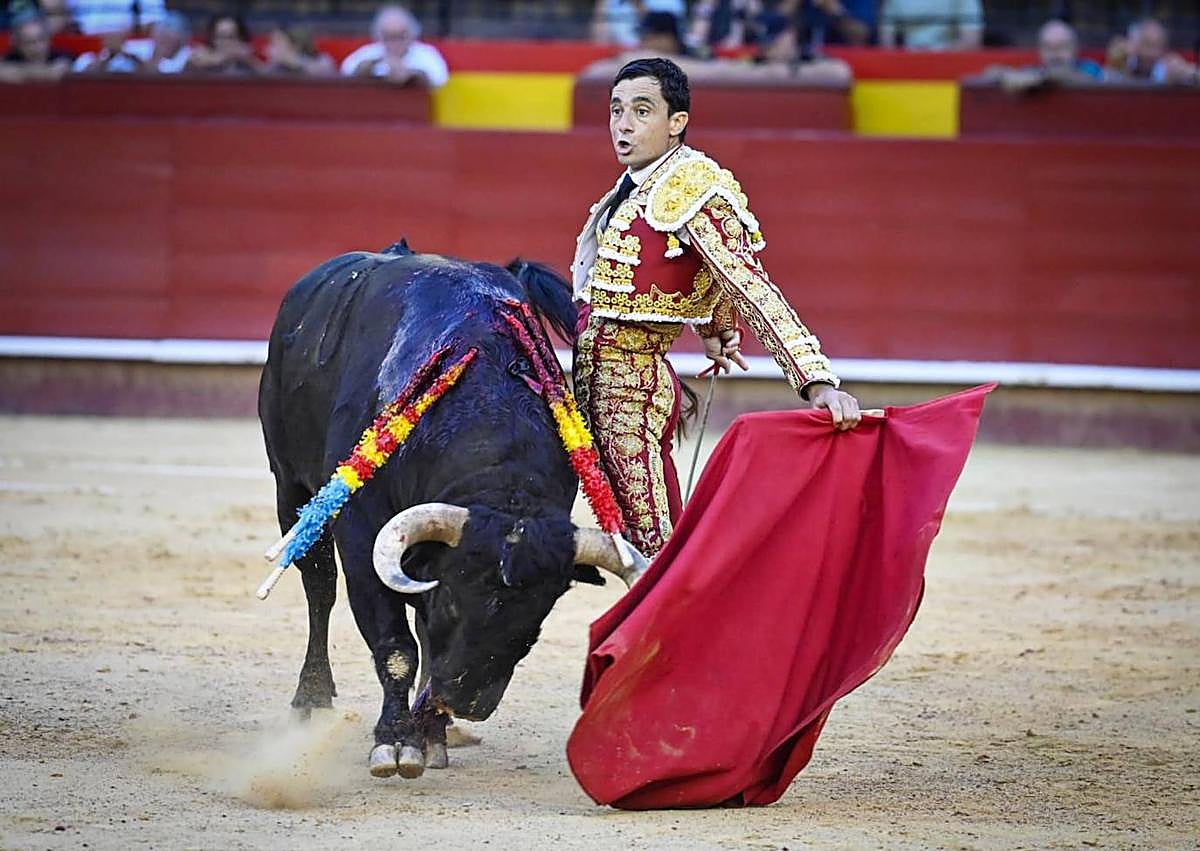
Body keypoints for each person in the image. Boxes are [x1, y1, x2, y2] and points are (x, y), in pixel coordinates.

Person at [570, 57, 861, 555]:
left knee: (654, 544)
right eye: (617, 110)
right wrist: (713, 320)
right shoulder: (637, 185)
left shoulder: (693, 187)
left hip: (631, 387)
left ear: (676, 122)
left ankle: (684, 629)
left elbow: (750, 284)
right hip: (588, 374)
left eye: (642, 111)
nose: (623, 123)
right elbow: (678, 269)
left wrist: (817, 382)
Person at [977, 19, 1104, 93]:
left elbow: (1100, 83)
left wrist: (1043, 79)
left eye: (1062, 46)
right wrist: (1003, 74)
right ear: (1040, 50)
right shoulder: (1033, 71)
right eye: (1048, 47)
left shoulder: (1090, 69)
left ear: (1075, 48)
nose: (1055, 53)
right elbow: (987, 74)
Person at [339, 4, 448, 88]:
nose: (395, 42)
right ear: (379, 36)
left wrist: (412, 76)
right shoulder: (369, 53)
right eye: (389, 37)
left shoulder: (426, 53)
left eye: (401, 36)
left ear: (412, 34)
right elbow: (345, 72)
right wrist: (366, 69)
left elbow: (439, 79)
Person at [72, 10, 191, 74]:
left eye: (169, 40)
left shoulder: (187, 57)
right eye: (161, 38)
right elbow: (84, 72)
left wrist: (129, 57)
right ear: (154, 37)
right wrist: (109, 56)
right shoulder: (137, 48)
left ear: (182, 41)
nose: (163, 43)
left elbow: (159, 79)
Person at [1105, 18, 1198, 86]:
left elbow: (1194, 74)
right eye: (1147, 45)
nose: (1152, 53)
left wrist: (1188, 73)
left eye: (1158, 46)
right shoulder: (1122, 62)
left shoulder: (1169, 69)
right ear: (1135, 44)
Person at [878, 0, 982, 50]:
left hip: (950, 64)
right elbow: (886, 43)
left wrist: (937, 53)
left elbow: (971, 41)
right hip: (906, 66)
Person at [0, 10, 72, 81]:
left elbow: (55, 73)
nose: (36, 47)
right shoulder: (11, 57)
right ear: (17, 44)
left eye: (41, 40)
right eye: (29, 42)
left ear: (49, 39)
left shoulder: (61, 56)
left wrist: (19, 72)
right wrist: (43, 71)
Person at [186, 13, 262, 75]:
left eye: (231, 37)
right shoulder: (200, 53)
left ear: (240, 38)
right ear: (212, 38)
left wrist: (249, 60)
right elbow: (191, 65)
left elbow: (266, 74)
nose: (225, 42)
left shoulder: (247, 57)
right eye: (221, 37)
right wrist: (223, 58)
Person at [263, 26, 336, 77]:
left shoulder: (323, 59)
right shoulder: (277, 62)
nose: (275, 45)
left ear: (296, 45)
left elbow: (317, 72)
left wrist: (292, 62)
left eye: (279, 41)